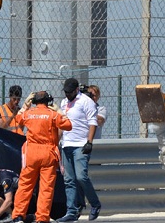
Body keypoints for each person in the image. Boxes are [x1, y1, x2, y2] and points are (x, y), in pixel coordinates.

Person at [12, 91, 72, 223]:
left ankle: (18, 216)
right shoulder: (52, 114)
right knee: (46, 188)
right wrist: (60, 110)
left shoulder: (29, 113)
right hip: (48, 153)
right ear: (48, 101)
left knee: (25, 185)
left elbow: (18, 118)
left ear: (34, 101)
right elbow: (68, 125)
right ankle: (42, 218)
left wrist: (26, 105)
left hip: (31, 152)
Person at [58, 78, 101, 222]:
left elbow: (93, 122)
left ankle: (95, 204)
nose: (67, 94)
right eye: (66, 92)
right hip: (66, 144)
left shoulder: (86, 101)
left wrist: (89, 142)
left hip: (81, 144)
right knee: (69, 180)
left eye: (70, 92)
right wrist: (57, 141)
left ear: (77, 89)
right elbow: (61, 123)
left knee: (81, 176)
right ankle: (71, 211)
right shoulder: (64, 102)